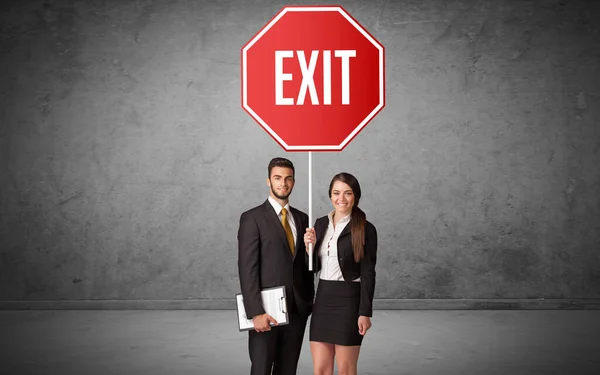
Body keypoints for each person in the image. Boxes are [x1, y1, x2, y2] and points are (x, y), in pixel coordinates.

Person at [237, 157, 314, 375]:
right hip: (266, 311)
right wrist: (256, 312)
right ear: (268, 181)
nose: (283, 183)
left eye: (288, 178)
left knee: (287, 370)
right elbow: (247, 268)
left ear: (294, 182)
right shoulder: (252, 218)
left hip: (297, 311)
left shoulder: (302, 218)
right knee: (261, 368)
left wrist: (311, 250)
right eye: (278, 178)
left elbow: (307, 267)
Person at [303, 172, 378, 375]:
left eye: (348, 193)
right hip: (324, 297)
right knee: (320, 370)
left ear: (355, 196)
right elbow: (314, 268)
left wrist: (365, 312)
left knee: (346, 369)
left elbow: (368, 272)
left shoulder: (365, 229)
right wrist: (309, 248)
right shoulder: (319, 224)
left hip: (349, 301)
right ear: (330, 196)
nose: (341, 199)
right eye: (336, 193)